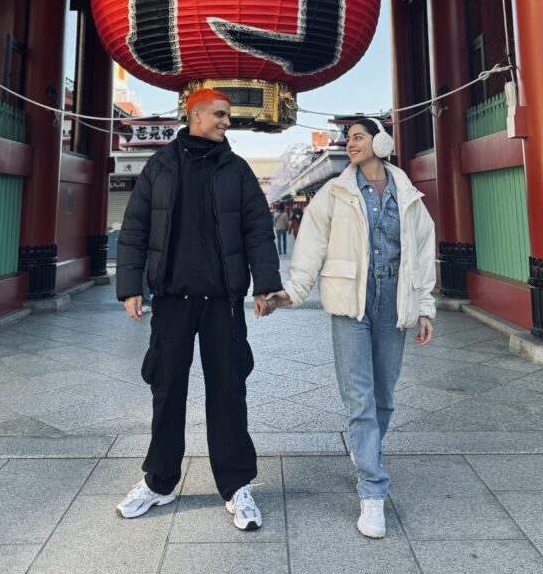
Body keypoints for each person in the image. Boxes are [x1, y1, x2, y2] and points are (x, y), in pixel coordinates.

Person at [115, 88, 282, 530]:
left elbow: (258, 231)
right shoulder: (161, 165)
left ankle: (236, 486)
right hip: (171, 300)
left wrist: (265, 285)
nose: (227, 122)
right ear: (196, 116)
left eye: (228, 116)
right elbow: (134, 227)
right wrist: (131, 286)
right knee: (166, 390)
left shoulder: (237, 170)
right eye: (220, 115)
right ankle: (159, 482)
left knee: (228, 391)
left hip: (222, 303)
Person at [266, 118, 435, 540]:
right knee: (359, 396)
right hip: (349, 303)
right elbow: (310, 249)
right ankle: (372, 489)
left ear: (381, 142)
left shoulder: (409, 194)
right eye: (349, 138)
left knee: (384, 395)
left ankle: (366, 455)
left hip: (394, 299)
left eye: (359, 136)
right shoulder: (334, 192)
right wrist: (290, 292)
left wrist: (426, 305)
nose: (350, 143)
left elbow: (422, 250)